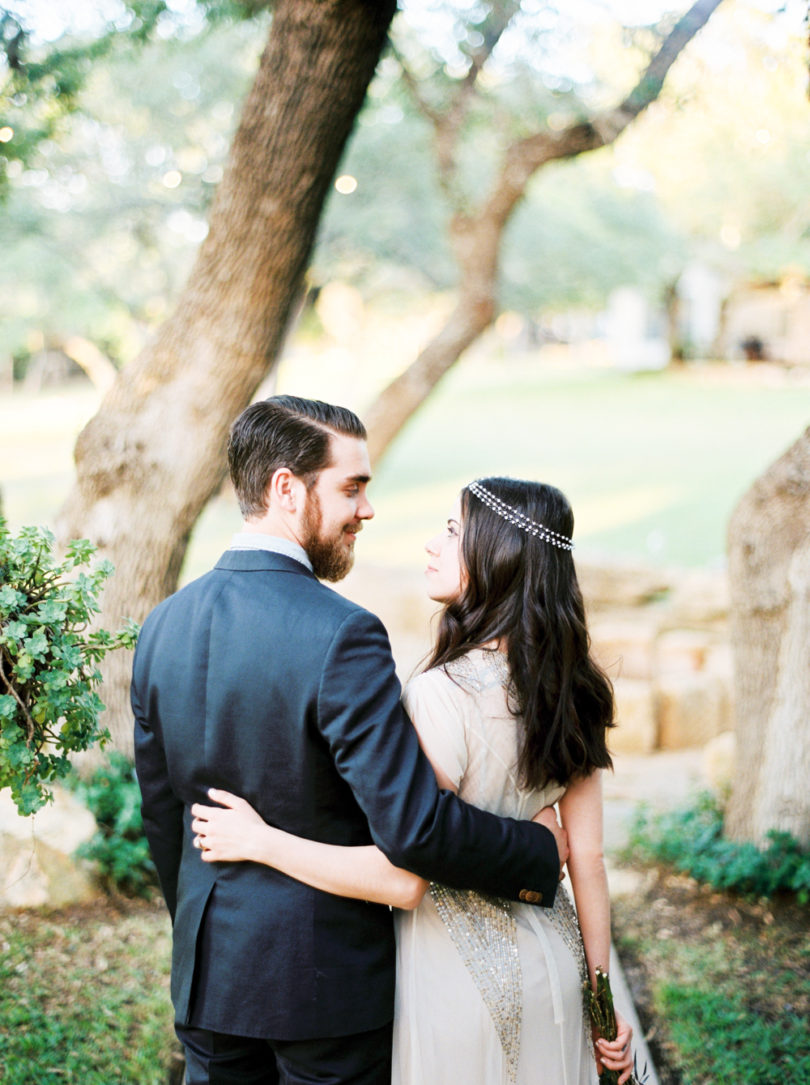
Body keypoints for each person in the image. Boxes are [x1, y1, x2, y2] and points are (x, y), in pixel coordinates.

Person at [132, 397, 570, 1085]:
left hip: (209, 977)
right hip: (325, 991)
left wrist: (201, 932)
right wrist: (537, 852)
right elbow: (415, 825)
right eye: (352, 487)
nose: (367, 509)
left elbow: (163, 820)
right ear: (285, 488)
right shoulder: (344, 633)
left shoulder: (162, 625)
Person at [190, 476, 636, 1085]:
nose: (431, 544)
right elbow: (589, 855)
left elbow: (403, 872)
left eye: (453, 531)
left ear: (497, 553)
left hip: (457, 984)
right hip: (558, 972)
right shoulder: (575, 689)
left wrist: (261, 842)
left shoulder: (439, 695)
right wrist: (601, 1000)